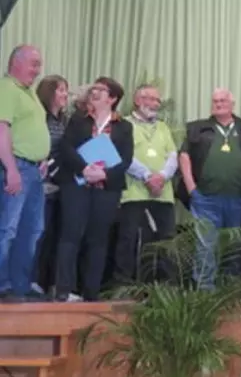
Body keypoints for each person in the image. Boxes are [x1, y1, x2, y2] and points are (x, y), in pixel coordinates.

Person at [55, 77, 133, 301]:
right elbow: (66, 147)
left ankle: (91, 292)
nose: (95, 92)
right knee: (70, 236)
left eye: (101, 89)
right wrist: (84, 168)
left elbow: (125, 159)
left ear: (113, 98)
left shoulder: (124, 126)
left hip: (106, 189)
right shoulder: (78, 120)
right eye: (94, 89)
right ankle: (64, 289)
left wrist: (105, 174)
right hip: (76, 185)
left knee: (98, 240)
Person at [178, 88, 241, 286]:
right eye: (215, 101)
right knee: (205, 247)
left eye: (223, 100)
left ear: (232, 104)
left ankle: (232, 289)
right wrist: (191, 188)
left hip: (240, 197)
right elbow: (184, 156)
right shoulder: (198, 128)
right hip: (205, 198)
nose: (218, 104)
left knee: (235, 246)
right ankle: (205, 292)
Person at [114, 85, 178, 283]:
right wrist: (148, 176)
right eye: (150, 99)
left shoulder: (163, 127)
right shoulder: (124, 125)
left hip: (163, 195)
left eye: (157, 100)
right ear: (137, 100)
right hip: (134, 194)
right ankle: (124, 285)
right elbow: (123, 156)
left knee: (166, 242)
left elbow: (173, 156)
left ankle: (162, 287)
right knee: (129, 240)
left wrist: (162, 177)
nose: (154, 104)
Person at [0, 45, 49, 302]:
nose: (37, 70)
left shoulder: (28, 92)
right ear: (15, 63)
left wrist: (40, 158)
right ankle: (3, 285)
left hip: (33, 169)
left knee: (31, 229)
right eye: (34, 64)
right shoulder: (7, 88)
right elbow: (1, 130)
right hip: (15, 166)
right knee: (7, 228)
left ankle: (20, 285)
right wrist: (10, 168)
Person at [31, 74, 69, 295]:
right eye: (61, 90)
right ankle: (31, 279)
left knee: (54, 236)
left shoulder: (65, 120)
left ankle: (47, 282)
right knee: (37, 233)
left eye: (66, 90)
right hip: (41, 183)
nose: (65, 95)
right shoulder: (40, 118)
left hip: (61, 186)